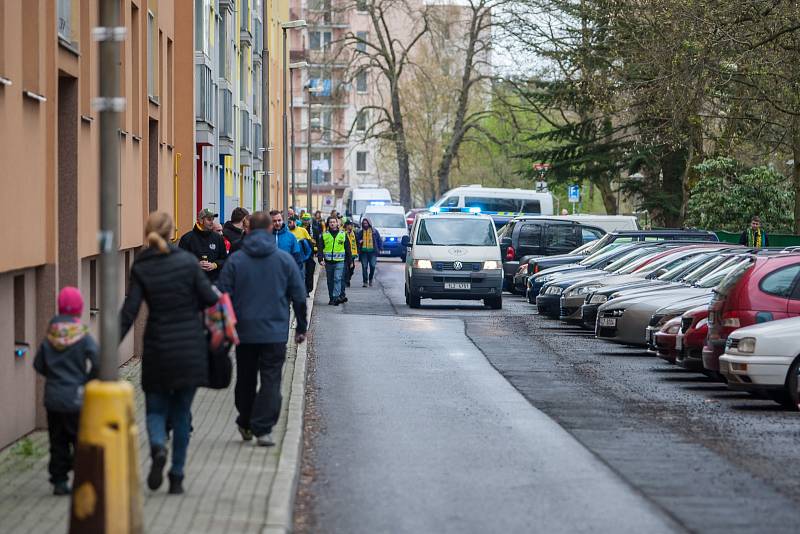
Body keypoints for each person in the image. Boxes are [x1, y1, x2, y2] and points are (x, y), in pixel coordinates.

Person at [120, 212, 220, 495]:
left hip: (157, 347)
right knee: (181, 413)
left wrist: (108, 348)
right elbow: (211, 300)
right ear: (171, 233)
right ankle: (176, 476)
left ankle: (156, 447)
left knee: (155, 408)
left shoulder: (142, 265)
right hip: (190, 348)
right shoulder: (188, 263)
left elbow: (130, 311)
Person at [216, 212, 308, 446]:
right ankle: (263, 428)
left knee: (245, 378)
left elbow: (221, 294)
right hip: (275, 332)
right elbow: (298, 296)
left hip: (244, 331)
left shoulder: (236, 260)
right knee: (271, 380)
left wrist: (222, 329)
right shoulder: (284, 260)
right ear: (269, 230)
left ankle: (245, 421)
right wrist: (300, 327)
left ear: (248, 229)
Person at [33, 287, 99, 496]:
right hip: (76, 398)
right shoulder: (83, 336)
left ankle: (59, 481)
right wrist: (86, 380)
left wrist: (53, 375)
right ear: (80, 310)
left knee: (57, 440)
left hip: (53, 398)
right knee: (79, 439)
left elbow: (38, 364)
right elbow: (97, 361)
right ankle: (81, 476)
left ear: (60, 308)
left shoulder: (50, 336)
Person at [178, 208, 228, 283]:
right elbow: (180, 262)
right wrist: (196, 265)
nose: (212, 222)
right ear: (201, 220)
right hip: (193, 283)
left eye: (212, 219)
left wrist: (214, 265)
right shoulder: (187, 238)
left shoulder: (217, 238)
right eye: (209, 219)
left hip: (214, 282)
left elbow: (225, 259)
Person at [318, 216, 352, 305]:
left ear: (337, 223)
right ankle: (331, 298)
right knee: (330, 280)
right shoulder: (324, 235)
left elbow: (348, 248)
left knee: (337, 278)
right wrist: (320, 259)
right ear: (328, 224)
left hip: (340, 261)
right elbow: (320, 248)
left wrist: (350, 261)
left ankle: (336, 297)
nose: (332, 224)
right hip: (328, 262)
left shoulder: (343, 234)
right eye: (330, 222)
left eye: (334, 222)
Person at [289, 216, 316, 294]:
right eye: (288, 223)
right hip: (290, 258)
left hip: (301, 258)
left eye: (290, 222)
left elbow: (309, 242)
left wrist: (308, 255)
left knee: (302, 275)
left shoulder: (302, 230)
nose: (289, 224)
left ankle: (303, 291)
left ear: (295, 222)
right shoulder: (287, 231)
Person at [357, 217, 382, 288]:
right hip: (363, 253)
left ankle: (370, 279)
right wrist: (359, 241)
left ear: (369, 223)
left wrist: (380, 248)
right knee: (364, 267)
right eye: (364, 223)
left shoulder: (374, 231)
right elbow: (357, 240)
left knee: (373, 266)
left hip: (373, 252)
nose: (365, 224)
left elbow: (379, 240)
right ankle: (365, 282)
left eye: (366, 223)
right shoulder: (360, 232)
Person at [344, 220, 358, 288]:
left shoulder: (354, 233)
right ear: (346, 226)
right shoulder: (343, 233)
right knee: (346, 268)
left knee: (352, 268)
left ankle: (349, 277)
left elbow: (357, 242)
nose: (350, 226)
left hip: (352, 253)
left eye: (351, 225)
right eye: (349, 225)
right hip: (345, 253)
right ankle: (346, 281)